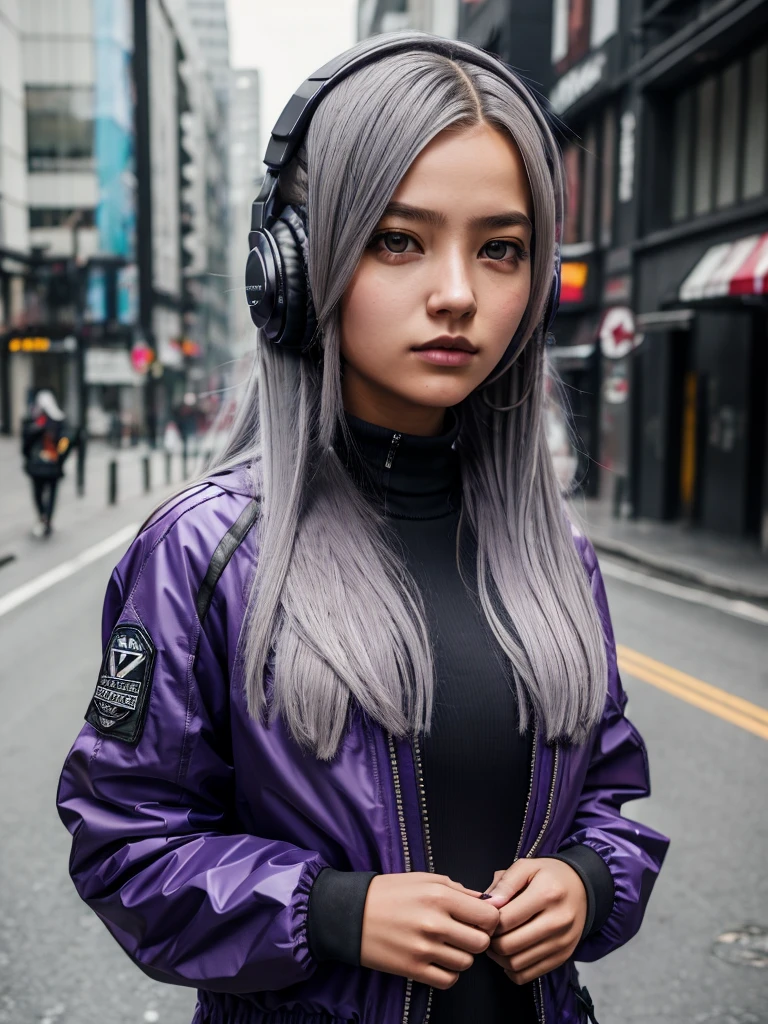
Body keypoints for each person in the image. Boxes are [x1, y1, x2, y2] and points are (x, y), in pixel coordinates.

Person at [57, 35, 669, 1024]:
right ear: (293, 269)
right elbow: (124, 843)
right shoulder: (204, 552)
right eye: (400, 239)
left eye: (501, 248)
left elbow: (608, 794)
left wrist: (591, 879)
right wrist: (330, 910)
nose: (460, 292)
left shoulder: (558, 557)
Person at [21, 389, 72, 537]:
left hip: (45, 466)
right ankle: (45, 518)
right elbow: (65, 442)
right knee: (45, 494)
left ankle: (45, 518)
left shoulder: (42, 421)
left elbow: (64, 441)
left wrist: (59, 455)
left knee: (42, 494)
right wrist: (61, 457)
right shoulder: (37, 421)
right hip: (45, 465)